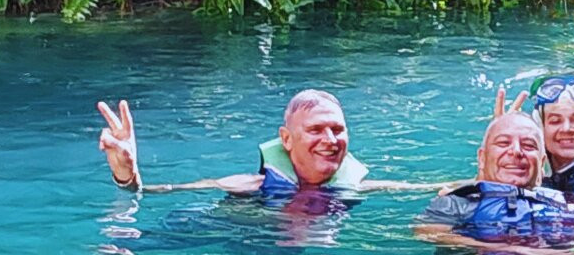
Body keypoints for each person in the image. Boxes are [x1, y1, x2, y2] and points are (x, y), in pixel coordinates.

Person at [97, 88, 443, 196]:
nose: (330, 140)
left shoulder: (359, 187)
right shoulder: (249, 187)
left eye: (338, 130)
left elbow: (438, 187)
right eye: (316, 130)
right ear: (286, 140)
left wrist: (494, 148)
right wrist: (128, 175)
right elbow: (156, 193)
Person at [413, 112, 574, 253]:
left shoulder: (563, 204)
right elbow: (427, 232)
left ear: (542, 164)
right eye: (503, 143)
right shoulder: (458, 202)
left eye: (528, 145)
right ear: (482, 158)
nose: (516, 151)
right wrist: (510, 248)